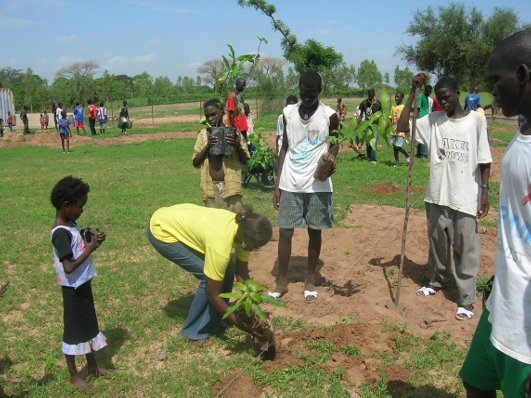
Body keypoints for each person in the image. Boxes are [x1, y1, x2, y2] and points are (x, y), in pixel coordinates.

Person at [459, 28, 531, 398]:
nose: (491, 92)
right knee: (476, 380)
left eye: (495, 80)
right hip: (502, 301)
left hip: (525, 326)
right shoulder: (523, 134)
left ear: (522, 74)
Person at [397, 75, 492, 321]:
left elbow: (484, 159)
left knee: (465, 250)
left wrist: (484, 192)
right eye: (439, 98)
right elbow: (402, 125)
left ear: (457, 93)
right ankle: (437, 280)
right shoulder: (434, 121)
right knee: (437, 244)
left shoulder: (476, 121)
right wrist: (413, 91)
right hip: (437, 195)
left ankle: (466, 299)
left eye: (447, 97)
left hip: (465, 196)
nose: (443, 102)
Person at [147, 203, 273, 342]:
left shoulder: (243, 229)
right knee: (209, 279)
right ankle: (194, 332)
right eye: (255, 247)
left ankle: (216, 320)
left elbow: (241, 274)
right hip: (162, 230)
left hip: (177, 217)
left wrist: (252, 306)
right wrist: (240, 325)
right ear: (246, 237)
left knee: (226, 270)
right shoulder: (221, 243)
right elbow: (213, 294)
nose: (254, 249)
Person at [269, 71, 339, 304]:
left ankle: (310, 280)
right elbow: (284, 148)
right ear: (298, 90)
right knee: (285, 231)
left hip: (317, 185)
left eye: (311, 94)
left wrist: (331, 161)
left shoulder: (329, 116)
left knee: (314, 230)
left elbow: (335, 144)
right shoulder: (288, 114)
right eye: (303, 94)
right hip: (290, 182)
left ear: (319, 92)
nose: (307, 98)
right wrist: (277, 185)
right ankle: (281, 281)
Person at [50, 176, 111, 389]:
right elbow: (68, 266)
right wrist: (90, 248)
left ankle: (93, 366)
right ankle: (74, 375)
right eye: (80, 206)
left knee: (89, 327)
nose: (82, 211)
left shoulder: (70, 224)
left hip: (82, 285)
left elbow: (78, 238)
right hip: (72, 291)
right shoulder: (59, 234)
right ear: (66, 206)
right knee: (74, 333)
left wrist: (92, 237)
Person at [193, 99, 249, 212]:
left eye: (213, 114)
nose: (210, 118)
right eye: (207, 116)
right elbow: (195, 162)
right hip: (210, 190)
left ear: (222, 113)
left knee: (233, 224)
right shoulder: (203, 135)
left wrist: (237, 144)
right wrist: (208, 146)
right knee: (213, 226)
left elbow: (244, 160)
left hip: (231, 189)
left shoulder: (233, 133)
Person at [357, 89, 381, 163]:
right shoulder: (364, 103)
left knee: (374, 141)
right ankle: (369, 157)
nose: (370, 98)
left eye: (372, 96)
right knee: (368, 142)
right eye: (369, 96)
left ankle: (373, 159)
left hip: (375, 125)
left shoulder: (378, 103)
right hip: (366, 125)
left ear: (374, 95)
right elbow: (361, 115)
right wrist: (358, 126)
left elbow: (381, 114)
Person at [276, 95, 299, 171]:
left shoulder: (299, 117)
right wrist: (277, 151)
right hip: (283, 146)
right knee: (282, 169)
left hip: (293, 147)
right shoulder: (281, 117)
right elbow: (279, 134)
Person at [389, 92, 410, 167]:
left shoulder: (403, 107)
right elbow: (390, 118)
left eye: (398, 97)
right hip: (393, 131)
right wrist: (386, 128)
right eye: (395, 97)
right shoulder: (393, 108)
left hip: (400, 130)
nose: (396, 98)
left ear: (402, 98)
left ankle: (407, 155)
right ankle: (397, 163)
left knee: (397, 146)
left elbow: (406, 118)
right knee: (394, 148)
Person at [416, 84, 432, 159]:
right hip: (421, 118)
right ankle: (423, 154)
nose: (429, 93)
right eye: (428, 91)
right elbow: (418, 108)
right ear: (425, 90)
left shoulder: (427, 98)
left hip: (426, 118)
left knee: (421, 136)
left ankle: (419, 153)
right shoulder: (421, 97)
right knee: (424, 136)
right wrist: (416, 118)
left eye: (430, 92)